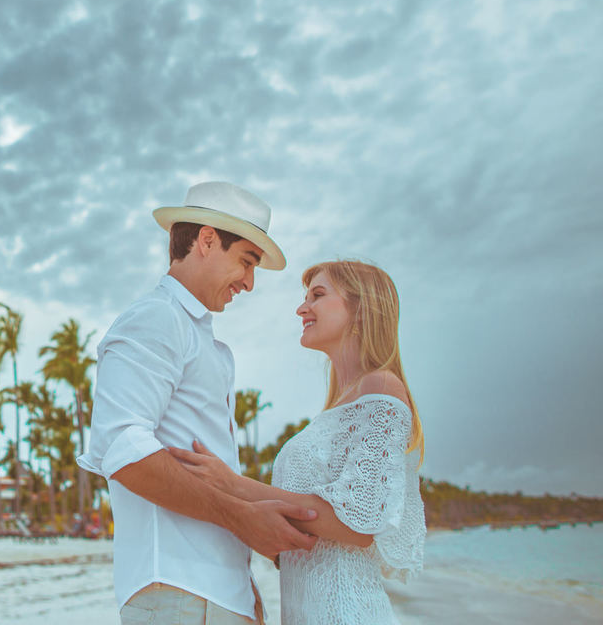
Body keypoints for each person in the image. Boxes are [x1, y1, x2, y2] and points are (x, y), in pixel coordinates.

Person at [77, 181, 320, 625]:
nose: (249, 283)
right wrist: (242, 518)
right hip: (179, 592)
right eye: (247, 261)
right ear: (207, 240)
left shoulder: (199, 338)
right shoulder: (157, 317)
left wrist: (245, 590)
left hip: (215, 596)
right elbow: (119, 445)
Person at [171, 260, 426, 624]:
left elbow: (358, 525)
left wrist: (233, 485)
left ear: (360, 308)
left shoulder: (381, 386)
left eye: (317, 296)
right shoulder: (338, 407)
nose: (301, 308)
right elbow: (318, 529)